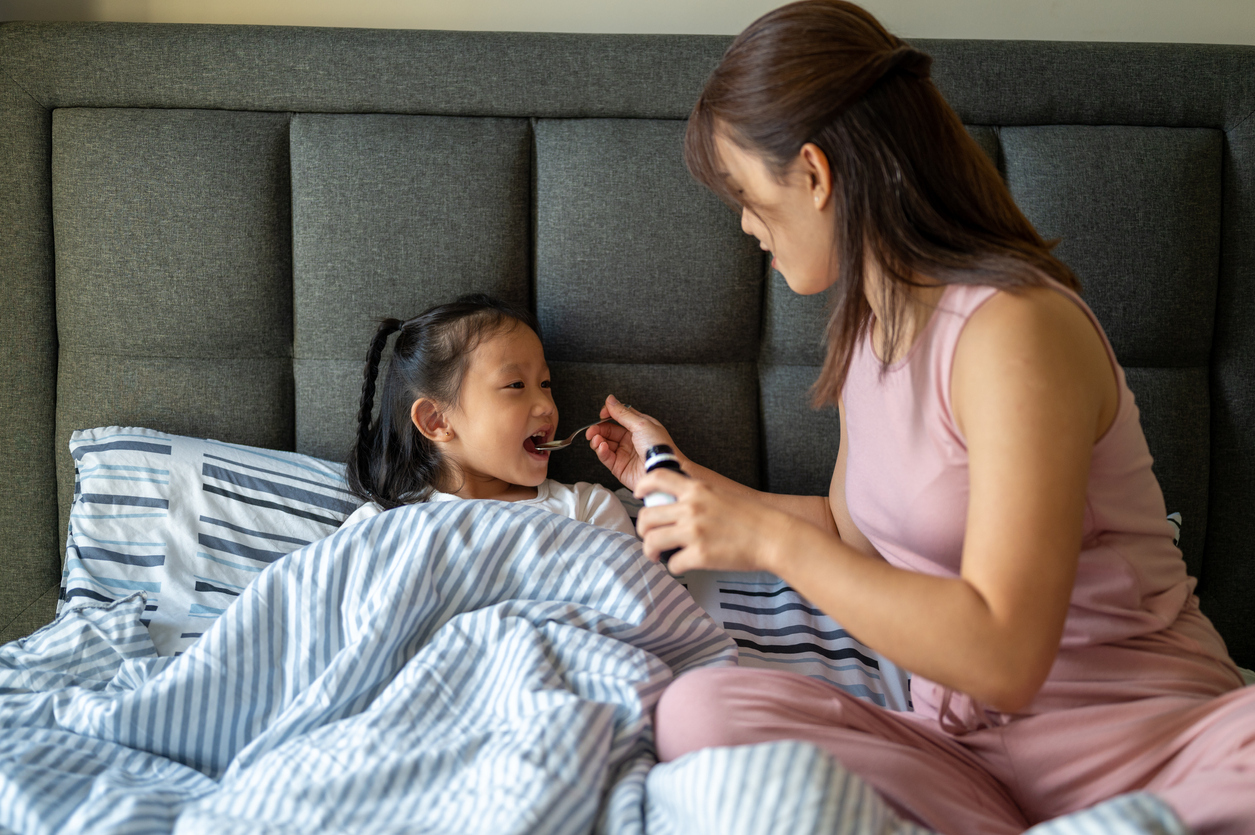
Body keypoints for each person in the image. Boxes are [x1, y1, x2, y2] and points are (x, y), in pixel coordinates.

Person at [583, 2, 1255, 833]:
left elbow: (1006, 657)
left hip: (1155, 745)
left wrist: (768, 541)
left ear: (816, 174)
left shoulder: (1014, 329)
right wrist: (679, 480)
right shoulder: (870, 328)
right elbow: (850, 530)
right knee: (700, 711)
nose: (747, 227)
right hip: (968, 760)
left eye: (746, 195)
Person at [341, 293, 634, 537]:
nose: (547, 405)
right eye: (516, 385)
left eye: (545, 384)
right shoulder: (379, 525)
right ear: (436, 420)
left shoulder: (586, 509)